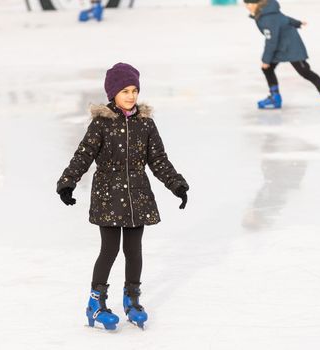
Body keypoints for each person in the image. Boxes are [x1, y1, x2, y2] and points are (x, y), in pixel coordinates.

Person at [56, 62, 189, 330]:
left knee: (133, 250)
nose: (130, 96)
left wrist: (176, 184)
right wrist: (67, 182)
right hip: (107, 195)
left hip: (137, 195)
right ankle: (96, 303)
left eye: (134, 90)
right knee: (109, 249)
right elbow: (83, 155)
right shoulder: (101, 124)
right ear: (113, 93)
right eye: (125, 90)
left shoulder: (146, 124)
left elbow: (158, 160)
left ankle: (132, 299)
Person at [244, 0, 320, 112]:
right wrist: (297, 23)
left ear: (257, 4)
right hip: (280, 46)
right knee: (267, 69)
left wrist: (266, 59)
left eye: (249, 4)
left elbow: (271, 41)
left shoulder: (267, 17)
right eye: (246, 4)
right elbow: (284, 19)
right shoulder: (267, 11)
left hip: (291, 46)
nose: (247, 7)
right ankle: (275, 97)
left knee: (305, 72)